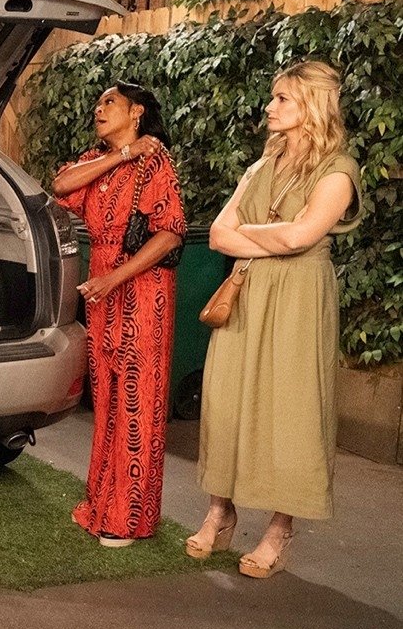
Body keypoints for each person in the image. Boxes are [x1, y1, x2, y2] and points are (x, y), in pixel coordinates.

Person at [187, 61, 361, 577]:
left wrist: (256, 234)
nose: (270, 106)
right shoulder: (261, 165)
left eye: (282, 98)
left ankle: (279, 529)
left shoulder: (338, 171)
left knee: (291, 409)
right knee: (227, 398)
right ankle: (219, 513)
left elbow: (302, 238)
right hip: (247, 290)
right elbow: (218, 235)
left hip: (299, 297)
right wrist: (276, 236)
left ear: (311, 105)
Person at [52, 82, 186, 547]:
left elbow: (170, 233)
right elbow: (61, 185)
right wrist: (121, 154)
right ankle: (101, 504)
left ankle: (128, 519)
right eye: (97, 102)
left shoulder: (157, 162)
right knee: (108, 397)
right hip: (102, 287)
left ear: (137, 112)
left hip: (142, 288)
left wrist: (116, 278)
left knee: (137, 399)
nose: (99, 108)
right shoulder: (101, 160)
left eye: (110, 101)